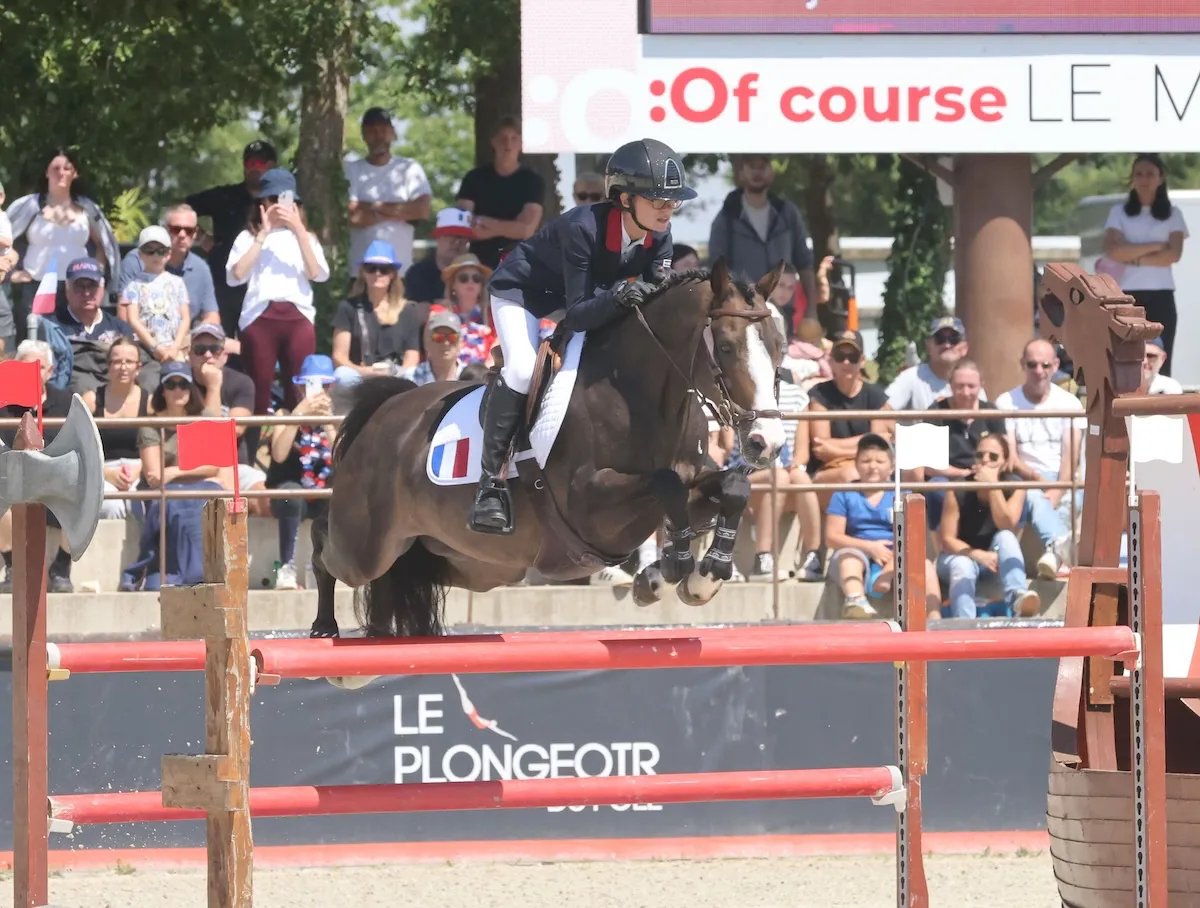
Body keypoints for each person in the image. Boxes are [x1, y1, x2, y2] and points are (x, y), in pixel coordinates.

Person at [466, 137, 695, 535]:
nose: (667, 209)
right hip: (523, 294)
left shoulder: (660, 235)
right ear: (624, 199)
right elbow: (578, 314)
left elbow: (655, 297)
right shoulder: (581, 228)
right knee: (521, 370)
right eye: (658, 200)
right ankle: (492, 486)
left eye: (672, 201)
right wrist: (622, 294)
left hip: (585, 298)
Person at [225, 168, 330, 414]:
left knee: (301, 392)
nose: (279, 207)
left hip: (298, 317)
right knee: (258, 392)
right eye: (272, 200)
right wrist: (263, 233)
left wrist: (298, 229)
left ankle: (297, 450)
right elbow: (235, 276)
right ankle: (255, 448)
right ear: (261, 203)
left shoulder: (306, 238)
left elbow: (318, 274)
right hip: (260, 317)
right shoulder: (247, 237)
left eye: (286, 201)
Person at [824, 434, 941, 620]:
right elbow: (832, 536)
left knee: (924, 564)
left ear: (892, 467)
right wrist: (870, 548)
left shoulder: (903, 494)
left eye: (880, 461)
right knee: (848, 557)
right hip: (858, 551)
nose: (872, 466)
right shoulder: (844, 492)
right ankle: (856, 602)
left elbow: (913, 538)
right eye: (866, 460)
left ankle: (934, 617)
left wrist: (891, 567)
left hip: (896, 554)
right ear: (856, 464)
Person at [936, 431, 1040, 619]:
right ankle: (964, 624)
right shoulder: (958, 488)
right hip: (957, 556)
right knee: (963, 564)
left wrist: (993, 486)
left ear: (1004, 462)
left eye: (993, 457)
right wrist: (976, 554)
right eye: (979, 455)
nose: (985, 460)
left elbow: (1007, 524)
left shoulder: (1016, 486)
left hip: (994, 561)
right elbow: (947, 540)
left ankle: (1017, 597)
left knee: (1006, 537)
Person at [1101, 153, 1188, 373]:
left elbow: (1173, 255)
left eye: (1150, 174)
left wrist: (1131, 254)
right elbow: (1113, 251)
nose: (1144, 179)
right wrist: (1157, 245)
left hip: (1162, 293)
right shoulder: (1118, 212)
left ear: (1161, 178)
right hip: (1127, 295)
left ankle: (1160, 405)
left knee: (1160, 357)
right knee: (1125, 356)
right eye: (1139, 174)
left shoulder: (1173, 214)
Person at [266, 355, 339, 590]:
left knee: (338, 498)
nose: (319, 392)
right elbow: (278, 454)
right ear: (299, 387)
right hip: (289, 492)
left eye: (324, 386)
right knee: (292, 495)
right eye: (311, 386)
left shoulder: (338, 417)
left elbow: (343, 458)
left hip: (323, 492)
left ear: (332, 387)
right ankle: (285, 567)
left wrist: (327, 421)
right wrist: (299, 415)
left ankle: (324, 567)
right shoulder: (284, 414)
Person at [80, 336, 149, 520]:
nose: (123, 367)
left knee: (140, 504)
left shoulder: (150, 402)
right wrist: (107, 474)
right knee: (112, 505)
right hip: (102, 469)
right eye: (117, 362)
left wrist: (140, 470)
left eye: (129, 362)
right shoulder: (92, 400)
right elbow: (79, 447)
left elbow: (159, 448)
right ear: (109, 366)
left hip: (140, 468)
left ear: (138, 367)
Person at [331, 239, 409, 386]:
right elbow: (339, 357)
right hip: (361, 376)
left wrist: (395, 373)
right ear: (363, 273)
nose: (377, 273)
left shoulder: (408, 310)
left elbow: (412, 357)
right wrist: (365, 372)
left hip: (397, 377)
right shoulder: (348, 307)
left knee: (413, 374)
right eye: (371, 268)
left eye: (384, 269)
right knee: (343, 375)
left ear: (393, 274)